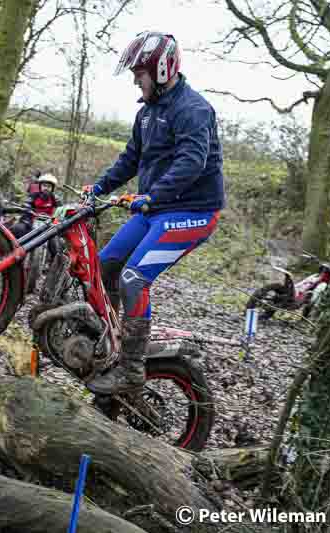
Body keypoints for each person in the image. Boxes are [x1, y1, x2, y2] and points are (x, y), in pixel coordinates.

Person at [83, 32, 225, 395]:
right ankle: (111, 341)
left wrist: (152, 196)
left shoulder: (193, 110)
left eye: (139, 73)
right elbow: (130, 159)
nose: (134, 79)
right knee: (105, 265)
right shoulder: (147, 113)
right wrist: (97, 189)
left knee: (133, 279)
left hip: (192, 212)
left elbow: (192, 163)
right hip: (157, 207)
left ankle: (131, 371)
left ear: (161, 71)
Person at [11, 173, 62, 257]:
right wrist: (26, 208)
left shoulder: (55, 198)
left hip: (48, 223)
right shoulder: (34, 196)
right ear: (40, 186)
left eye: (49, 186)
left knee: (56, 243)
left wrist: (59, 215)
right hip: (33, 221)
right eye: (44, 186)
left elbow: (61, 208)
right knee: (17, 229)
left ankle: (53, 261)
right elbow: (27, 202)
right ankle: (13, 253)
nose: (46, 188)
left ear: (52, 188)